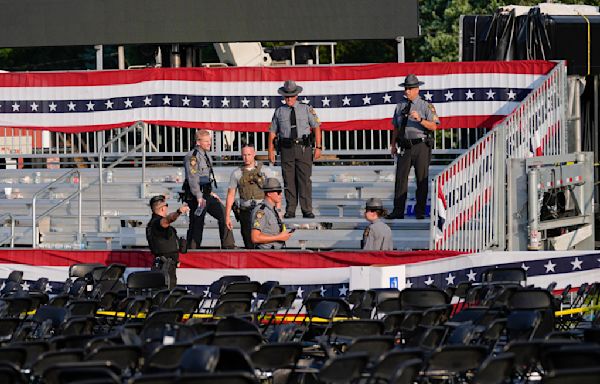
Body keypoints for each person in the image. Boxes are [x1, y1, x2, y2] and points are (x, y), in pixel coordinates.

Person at [387, 74, 440, 220]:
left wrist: (420, 119)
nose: (407, 91)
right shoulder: (400, 106)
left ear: (417, 89)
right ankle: (398, 211)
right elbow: (396, 128)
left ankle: (420, 211)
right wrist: (393, 145)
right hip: (405, 146)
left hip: (421, 145)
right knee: (400, 179)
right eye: (406, 88)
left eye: (410, 88)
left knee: (421, 179)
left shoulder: (425, 105)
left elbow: (434, 126)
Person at [268, 80, 322, 219]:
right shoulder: (279, 111)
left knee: (304, 180)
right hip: (286, 149)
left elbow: (316, 126)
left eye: (291, 96)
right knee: (289, 180)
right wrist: (270, 150)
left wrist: (318, 147)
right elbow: (272, 131)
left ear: (297, 95)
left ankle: (306, 209)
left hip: (303, 148)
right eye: (286, 96)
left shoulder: (306, 109)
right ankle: (291, 209)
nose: (289, 99)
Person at [183, 129, 235, 249]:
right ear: (198, 142)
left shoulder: (206, 154)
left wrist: (210, 192)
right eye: (206, 141)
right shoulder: (193, 157)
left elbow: (205, 177)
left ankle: (228, 245)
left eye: (209, 141)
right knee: (197, 223)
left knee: (223, 214)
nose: (209, 143)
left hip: (206, 193)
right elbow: (193, 178)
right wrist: (199, 196)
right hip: (197, 196)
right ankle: (192, 249)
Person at [224, 143, 275, 249]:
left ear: (254, 154)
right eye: (244, 155)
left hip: (262, 211)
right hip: (245, 211)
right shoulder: (236, 173)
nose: (246, 157)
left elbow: (274, 191)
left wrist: (277, 209)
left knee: (264, 244)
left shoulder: (265, 171)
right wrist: (227, 216)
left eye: (249, 154)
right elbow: (231, 195)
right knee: (248, 242)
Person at [146, 195, 190, 289]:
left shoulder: (154, 223)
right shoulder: (157, 223)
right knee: (166, 293)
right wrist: (179, 212)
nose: (167, 208)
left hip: (166, 265)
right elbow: (167, 220)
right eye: (166, 206)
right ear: (162, 208)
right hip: (165, 266)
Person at [251, 178, 293, 249]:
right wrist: (279, 237)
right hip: (266, 253)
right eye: (278, 192)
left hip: (275, 251)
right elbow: (255, 238)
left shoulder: (273, 209)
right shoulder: (261, 211)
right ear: (269, 193)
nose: (281, 194)